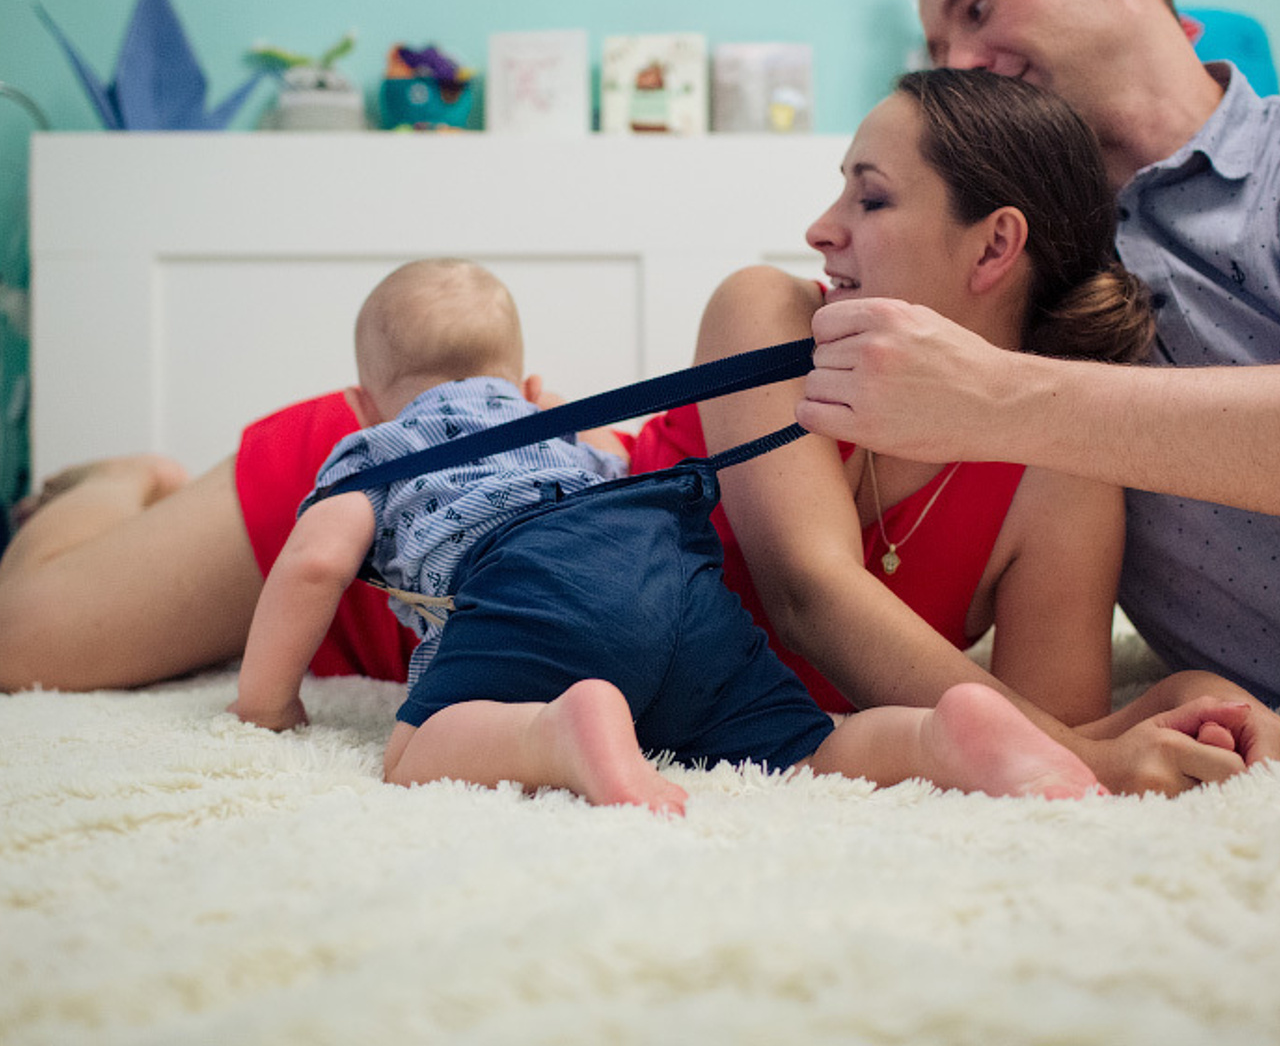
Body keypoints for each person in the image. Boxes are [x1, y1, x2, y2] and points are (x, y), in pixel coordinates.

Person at [0, 74, 1268, 794]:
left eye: (867, 196)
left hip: (591, 657)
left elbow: (1026, 726)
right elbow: (807, 589)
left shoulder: (1063, 469)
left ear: (993, 245)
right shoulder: (764, 309)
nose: (820, 226)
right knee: (26, 639)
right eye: (834, 187)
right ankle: (123, 475)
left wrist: (1135, 715)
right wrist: (1100, 740)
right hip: (400, 513)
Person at [228, 257, 1106, 813]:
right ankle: (939, 737)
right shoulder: (556, 425)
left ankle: (557, 731)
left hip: (533, 586)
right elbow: (617, 459)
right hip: (666, 565)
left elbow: (313, 566)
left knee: (416, 751)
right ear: (529, 382)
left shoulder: (371, 451)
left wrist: (264, 704)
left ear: (360, 401)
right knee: (808, 750)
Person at [794, 0, 1280, 708]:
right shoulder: (1002, 269)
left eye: (979, 8)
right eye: (940, 49)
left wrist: (997, 396)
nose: (964, 64)